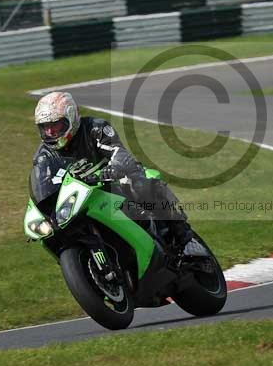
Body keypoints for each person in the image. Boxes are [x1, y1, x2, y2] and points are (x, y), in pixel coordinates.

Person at [32, 91, 208, 257]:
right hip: (86, 197)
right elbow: (43, 183)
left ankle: (185, 237)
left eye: (55, 125)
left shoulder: (95, 128)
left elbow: (119, 151)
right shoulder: (44, 155)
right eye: (45, 127)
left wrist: (114, 168)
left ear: (71, 118)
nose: (50, 132)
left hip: (116, 180)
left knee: (140, 185)